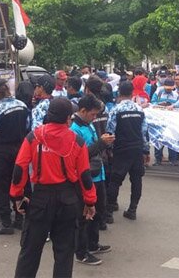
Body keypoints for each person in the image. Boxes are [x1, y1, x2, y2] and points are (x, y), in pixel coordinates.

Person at [11, 98, 97, 278]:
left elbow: (20, 168)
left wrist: (17, 196)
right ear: (67, 118)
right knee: (64, 254)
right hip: (68, 200)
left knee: (30, 251)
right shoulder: (77, 141)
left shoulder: (34, 137)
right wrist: (90, 201)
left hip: (41, 199)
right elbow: (84, 176)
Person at [70, 95, 114, 266]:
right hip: (85, 176)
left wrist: (104, 142)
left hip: (98, 173)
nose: (95, 117)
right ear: (83, 111)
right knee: (84, 216)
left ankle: (93, 244)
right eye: (93, 114)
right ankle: (81, 252)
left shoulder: (88, 125)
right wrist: (101, 144)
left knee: (98, 211)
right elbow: (81, 156)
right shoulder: (75, 129)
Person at [0, 79, 30, 235]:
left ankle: (6, 222)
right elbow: (28, 126)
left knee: (1, 186)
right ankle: (20, 219)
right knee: (19, 184)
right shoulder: (22, 105)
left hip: (1, 151)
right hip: (20, 149)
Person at [106, 81, 149, 221]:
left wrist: (109, 150)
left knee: (115, 180)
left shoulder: (116, 110)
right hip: (136, 149)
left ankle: (110, 212)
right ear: (132, 93)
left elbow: (110, 132)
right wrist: (146, 151)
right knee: (136, 180)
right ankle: (132, 209)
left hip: (121, 149)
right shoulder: (139, 109)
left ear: (119, 93)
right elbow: (144, 132)